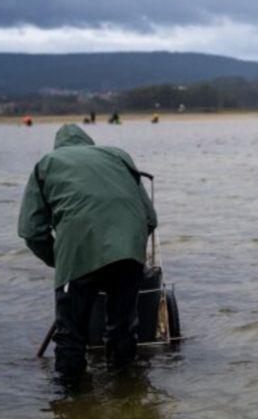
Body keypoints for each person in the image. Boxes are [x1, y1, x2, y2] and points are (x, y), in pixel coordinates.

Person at [18, 124, 158, 385]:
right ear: (88, 142)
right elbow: (150, 218)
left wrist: (61, 261)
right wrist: (127, 247)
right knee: (123, 327)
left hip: (79, 251)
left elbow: (32, 232)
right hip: (128, 250)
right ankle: (128, 390)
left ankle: (71, 404)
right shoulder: (117, 155)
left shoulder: (47, 163)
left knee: (70, 334)